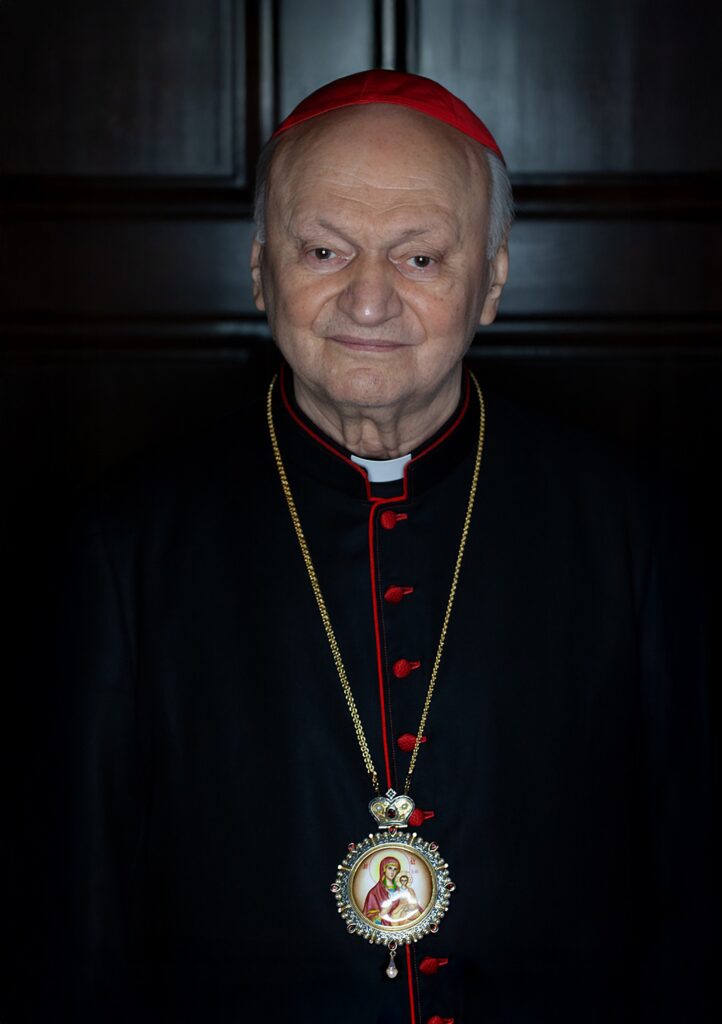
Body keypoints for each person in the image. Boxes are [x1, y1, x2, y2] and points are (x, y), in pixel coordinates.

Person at [14, 70, 712, 1023]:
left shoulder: (630, 524)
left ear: (494, 281)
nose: (369, 301)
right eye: (324, 250)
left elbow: (695, 893)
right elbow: (80, 929)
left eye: (420, 258)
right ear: (262, 270)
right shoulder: (127, 545)